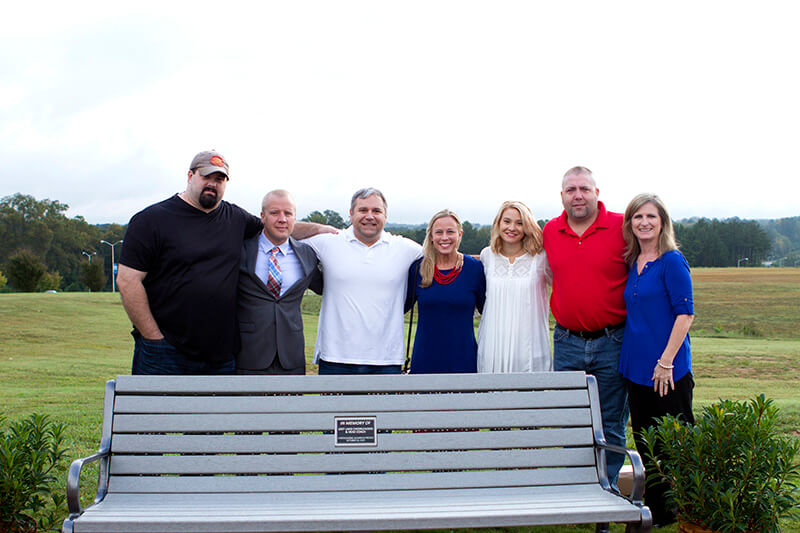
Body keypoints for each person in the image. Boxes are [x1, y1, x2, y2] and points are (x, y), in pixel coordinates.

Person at [117, 150, 328, 375]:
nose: (212, 184)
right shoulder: (151, 220)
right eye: (206, 177)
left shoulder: (235, 219)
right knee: (158, 411)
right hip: (165, 352)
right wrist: (153, 337)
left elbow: (276, 227)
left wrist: (324, 230)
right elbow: (128, 281)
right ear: (190, 176)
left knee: (218, 412)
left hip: (220, 356)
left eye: (219, 179)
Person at [542, 166, 629, 488]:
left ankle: (606, 488)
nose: (577, 195)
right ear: (562, 195)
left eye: (584, 189)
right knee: (571, 418)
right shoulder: (550, 230)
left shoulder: (622, 226)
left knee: (610, 420)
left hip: (613, 340)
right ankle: (577, 488)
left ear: (597, 193)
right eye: (570, 190)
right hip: (567, 341)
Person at [619, 193, 695, 527]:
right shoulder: (632, 262)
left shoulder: (672, 261)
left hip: (667, 371)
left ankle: (689, 507)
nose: (644, 223)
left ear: (662, 221)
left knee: (674, 446)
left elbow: (685, 315)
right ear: (630, 223)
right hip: (635, 370)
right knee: (647, 442)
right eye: (637, 217)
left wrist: (665, 362)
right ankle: (656, 511)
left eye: (650, 216)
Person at [303, 188, 422, 374]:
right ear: (351, 214)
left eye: (376, 211)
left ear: (386, 215)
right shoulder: (328, 242)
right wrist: (319, 228)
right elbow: (281, 231)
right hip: (335, 358)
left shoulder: (405, 248)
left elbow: (441, 256)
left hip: (386, 360)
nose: (370, 216)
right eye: (363, 210)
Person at [236, 190, 322, 375]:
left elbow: (327, 287)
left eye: (288, 213)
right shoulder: (241, 251)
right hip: (248, 354)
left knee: (291, 405)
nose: (282, 219)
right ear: (262, 217)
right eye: (275, 213)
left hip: (291, 356)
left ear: (294, 218)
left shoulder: (307, 255)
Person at [405, 209, 485, 373]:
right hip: (425, 359)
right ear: (431, 236)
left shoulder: (475, 269)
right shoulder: (417, 269)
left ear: (460, 234)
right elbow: (398, 309)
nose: (444, 237)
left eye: (450, 232)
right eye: (439, 232)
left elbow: (487, 313)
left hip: (464, 358)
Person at [477, 201, 551, 373]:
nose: (512, 228)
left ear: (528, 226)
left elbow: (562, 287)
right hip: (493, 346)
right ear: (498, 223)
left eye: (519, 223)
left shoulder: (540, 257)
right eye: (507, 221)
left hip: (530, 346)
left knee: (530, 397)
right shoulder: (487, 255)